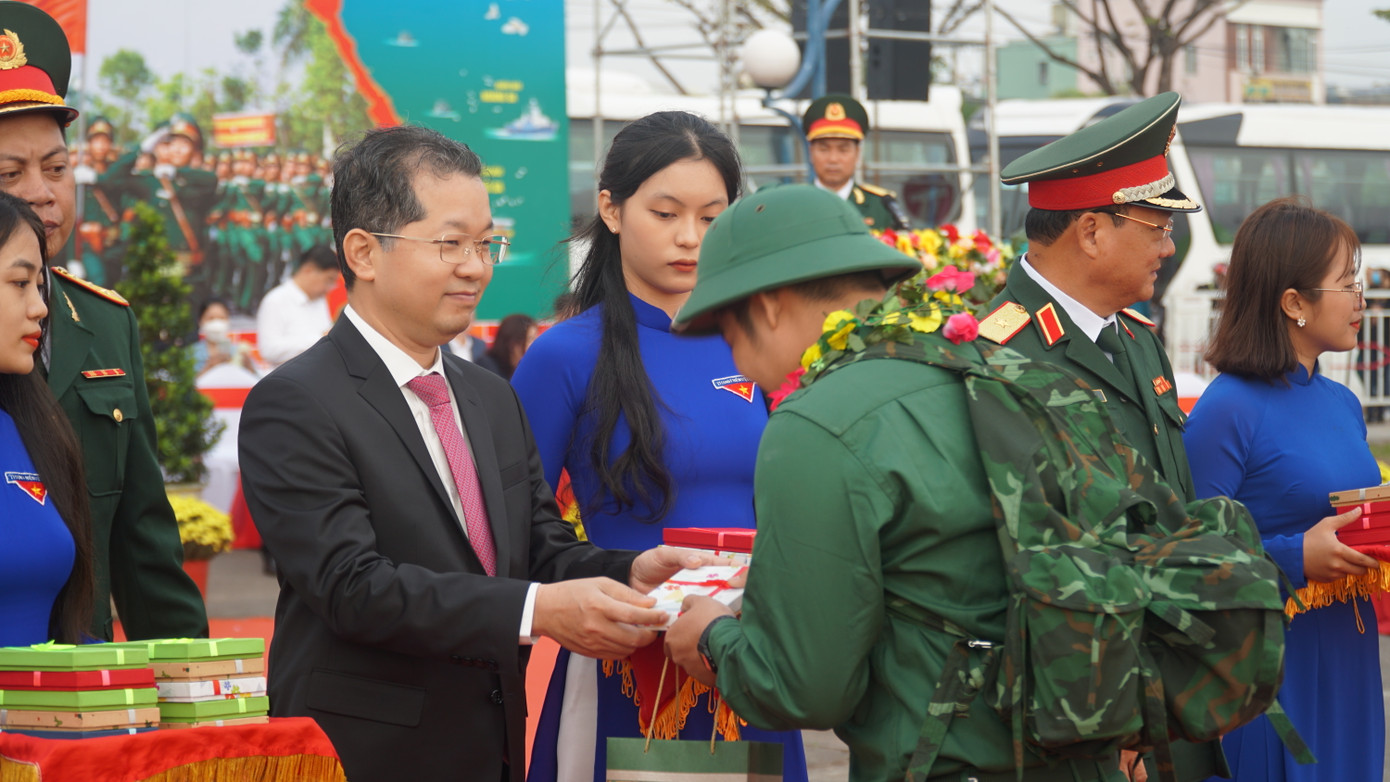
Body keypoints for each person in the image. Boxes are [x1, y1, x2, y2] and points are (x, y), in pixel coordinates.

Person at [237, 124, 706, 782]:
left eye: (488, 243)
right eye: (451, 243)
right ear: (364, 253)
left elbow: (540, 545)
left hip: (491, 743)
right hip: (366, 754)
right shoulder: (295, 403)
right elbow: (352, 586)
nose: (477, 266)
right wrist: (535, 610)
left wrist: (633, 572)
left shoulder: (489, 397)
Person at [661, 184, 1124, 780]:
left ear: (769, 304)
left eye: (726, 328)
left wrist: (711, 638)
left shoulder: (815, 421)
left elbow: (804, 689)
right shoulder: (994, 368)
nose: (730, 354)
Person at [512, 111, 807, 782]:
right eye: (666, 212)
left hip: (748, 662)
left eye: (711, 216)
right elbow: (515, 527)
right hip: (629, 673)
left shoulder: (755, 343)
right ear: (611, 210)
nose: (689, 238)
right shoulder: (562, 356)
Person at [0, 0, 207, 642]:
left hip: (83, 702)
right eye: (10, 173)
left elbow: (143, 543)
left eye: (57, 168)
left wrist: (191, 696)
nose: (43, 192)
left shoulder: (103, 321)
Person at [1183, 197, 1383, 782]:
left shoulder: (1342, 402)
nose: (1362, 299)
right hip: (1270, 668)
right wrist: (1295, 557)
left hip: (1349, 650)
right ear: (1294, 302)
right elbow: (1186, 556)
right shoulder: (1228, 409)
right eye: (1346, 283)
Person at [985, 91, 1199, 505]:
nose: (1168, 249)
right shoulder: (999, 356)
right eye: (1158, 229)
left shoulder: (1139, 342)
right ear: (1091, 233)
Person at [0, 191, 95, 647]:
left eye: (40, 286)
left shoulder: (32, 426)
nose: (39, 307)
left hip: (44, 717)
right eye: (20, 284)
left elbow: (61, 634)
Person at [801, 94, 908, 231]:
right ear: (811, 152)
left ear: (857, 153)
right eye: (824, 149)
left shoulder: (881, 206)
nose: (833, 159)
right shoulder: (795, 203)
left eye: (843, 150)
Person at [255, 243, 339, 368]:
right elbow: (269, 350)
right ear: (308, 270)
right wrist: (321, 339)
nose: (329, 288)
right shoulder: (275, 300)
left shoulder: (319, 301)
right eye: (328, 280)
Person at [485, 313, 535, 381]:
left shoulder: (528, 368)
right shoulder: (488, 366)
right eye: (530, 339)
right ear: (513, 341)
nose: (533, 344)